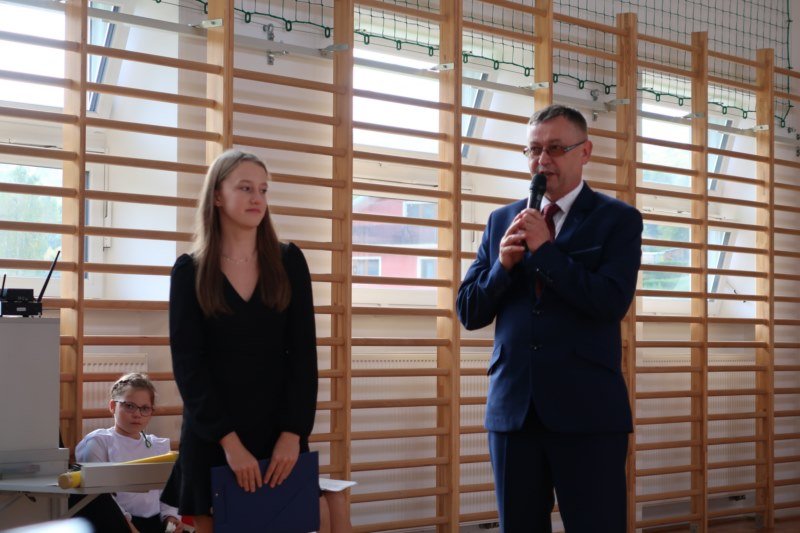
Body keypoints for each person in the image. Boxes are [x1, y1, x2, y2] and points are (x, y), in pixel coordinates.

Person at [457, 104, 642, 532]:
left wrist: (546, 252)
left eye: (556, 148)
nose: (542, 160)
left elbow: (610, 302)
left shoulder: (618, 220)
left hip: (588, 413)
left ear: (585, 152)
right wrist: (501, 267)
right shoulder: (501, 220)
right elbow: (469, 310)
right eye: (534, 149)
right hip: (513, 412)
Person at [161, 149, 350, 533]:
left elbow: (303, 358)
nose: (257, 199)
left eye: (263, 190)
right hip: (214, 438)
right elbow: (189, 368)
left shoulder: (289, 262)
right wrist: (230, 445)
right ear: (217, 195)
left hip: (279, 435)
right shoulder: (189, 271)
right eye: (245, 188)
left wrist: (292, 435)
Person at [75, 372, 183, 533]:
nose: (137, 414)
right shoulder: (98, 442)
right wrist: (129, 527)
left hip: (154, 522)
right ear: (113, 406)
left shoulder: (157, 446)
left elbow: (167, 492)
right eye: (129, 406)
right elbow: (101, 499)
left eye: (145, 408)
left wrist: (170, 517)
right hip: (116, 522)